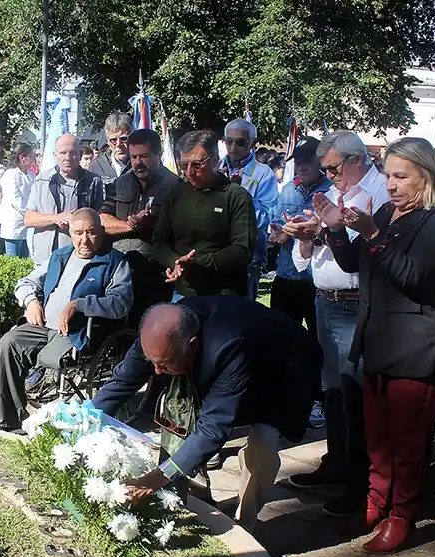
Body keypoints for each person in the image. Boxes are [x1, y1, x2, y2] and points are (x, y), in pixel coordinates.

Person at [314, 137, 435, 553]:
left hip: (417, 346)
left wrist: (374, 233)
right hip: (376, 340)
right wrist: (336, 231)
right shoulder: (386, 214)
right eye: (389, 175)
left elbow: (414, 276)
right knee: (377, 439)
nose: (391, 185)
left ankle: (402, 517)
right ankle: (376, 505)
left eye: (401, 176)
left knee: (409, 444)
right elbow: (355, 265)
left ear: (426, 176)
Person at [92, 298, 322, 531]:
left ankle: (246, 522)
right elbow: (122, 381)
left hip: (284, 373)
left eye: (164, 364)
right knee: (182, 415)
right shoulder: (159, 333)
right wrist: (85, 417)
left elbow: (213, 429)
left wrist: (153, 480)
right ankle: (198, 498)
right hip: (234, 361)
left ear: (192, 344)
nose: (157, 372)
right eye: (153, 362)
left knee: (263, 444)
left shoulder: (226, 346)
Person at [282, 131, 391, 519]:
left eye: (332, 168)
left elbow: (368, 254)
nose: (329, 176)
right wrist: (307, 236)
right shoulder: (340, 191)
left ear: (356, 159)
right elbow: (309, 256)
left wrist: (329, 230)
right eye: (325, 169)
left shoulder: (380, 190)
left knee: (354, 396)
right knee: (332, 392)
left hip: (353, 304)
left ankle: (359, 484)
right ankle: (337, 464)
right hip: (324, 302)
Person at [0, 208, 133, 431]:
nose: (84, 240)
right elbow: (26, 282)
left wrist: (80, 305)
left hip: (77, 331)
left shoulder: (114, 262)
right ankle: (9, 420)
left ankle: (54, 424)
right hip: (43, 326)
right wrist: (31, 301)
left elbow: (120, 303)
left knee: (47, 357)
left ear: (102, 232)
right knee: (10, 342)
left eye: (91, 233)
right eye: (78, 233)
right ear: (70, 233)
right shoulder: (60, 256)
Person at [269, 137, 333, 426]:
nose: (302, 165)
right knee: (282, 340)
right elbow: (273, 228)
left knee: (319, 343)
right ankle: (285, 396)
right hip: (286, 277)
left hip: (317, 281)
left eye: (309, 159)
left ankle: (317, 400)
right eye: (299, 160)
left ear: (321, 162)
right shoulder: (287, 192)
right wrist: (276, 235)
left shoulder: (331, 191)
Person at [152, 129, 256, 299]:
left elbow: (242, 250)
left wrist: (197, 263)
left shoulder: (236, 196)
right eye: (184, 165)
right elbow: (159, 241)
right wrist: (175, 263)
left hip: (225, 293)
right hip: (184, 292)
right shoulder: (175, 195)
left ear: (215, 160)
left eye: (197, 165)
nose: (189, 172)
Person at [99, 128, 181, 316]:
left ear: (158, 155)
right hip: (118, 271)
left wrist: (153, 223)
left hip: (155, 275)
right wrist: (128, 226)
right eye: (133, 157)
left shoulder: (176, 187)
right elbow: (102, 220)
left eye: (143, 156)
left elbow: (181, 232)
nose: (137, 162)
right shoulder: (120, 183)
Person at [220, 119, 278, 301]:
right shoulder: (214, 168)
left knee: (243, 312)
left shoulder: (263, 173)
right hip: (214, 250)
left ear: (252, 143)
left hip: (247, 254)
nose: (233, 146)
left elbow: (267, 216)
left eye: (241, 142)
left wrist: (240, 196)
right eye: (229, 141)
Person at [25, 134, 104, 266]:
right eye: (63, 153)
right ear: (55, 154)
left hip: (78, 259)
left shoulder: (93, 181)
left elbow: (100, 220)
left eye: (72, 153)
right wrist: (55, 218)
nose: (67, 158)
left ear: (79, 155)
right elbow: (28, 219)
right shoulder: (41, 180)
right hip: (44, 260)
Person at [0, 142, 36, 258]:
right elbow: (15, 200)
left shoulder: (31, 175)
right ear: (22, 157)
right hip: (15, 222)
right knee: (13, 258)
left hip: (28, 223)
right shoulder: (10, 175)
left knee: (26, 258)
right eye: (31, 156)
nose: (33, 160)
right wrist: (30, 213)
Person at [89, 112, 132, 194]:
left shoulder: (139, 164)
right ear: (108, 140)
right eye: (113, 140)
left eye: (123, 138)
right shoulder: (96, 166)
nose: (119, 144)